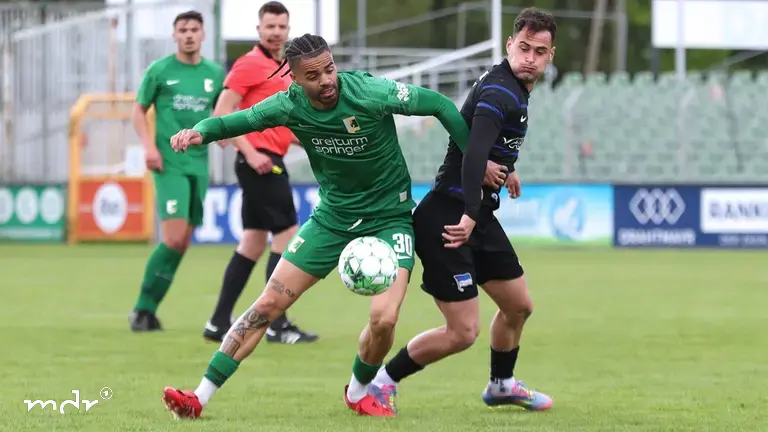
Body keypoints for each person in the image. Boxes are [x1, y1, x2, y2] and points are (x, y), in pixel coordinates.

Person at [160, 33, 504, 420]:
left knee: (384, 319)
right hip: (332, 220)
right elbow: (236, 121)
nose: (326, 80)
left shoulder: (370, 92)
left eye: (329, 69)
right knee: (268, 304)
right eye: (313, 75)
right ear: (294, 79)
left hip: (389, 220)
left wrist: (477, 162)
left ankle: (358, 391)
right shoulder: (288, 104)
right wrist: (200, 131)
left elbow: (440, 104)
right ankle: (198, 398)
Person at [362, 7, 557, 416]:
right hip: (449, 219)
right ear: (510, 45)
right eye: (524, 48)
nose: (530, 58)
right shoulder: (501, 92)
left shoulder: (511, 87)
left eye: (539, 52)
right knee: (462, 332)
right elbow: (474, 155)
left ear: (550, 55)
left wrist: (507, 169)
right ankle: (382, 382)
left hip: (476, 218)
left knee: (519, 305)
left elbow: (480, 143)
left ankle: (502, 385)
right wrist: (469, 213)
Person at [203, 1, 318, 345]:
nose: (276, 32)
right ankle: (276, 324)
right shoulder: (249, 64)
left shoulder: (284, 68)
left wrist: (315, 142)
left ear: (288, 29)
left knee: (252, 243)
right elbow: (221, 114)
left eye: (281, 27)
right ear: (259, 29)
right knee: (288, 235)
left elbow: (280, 126)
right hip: (261, 164)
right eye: (270, 26)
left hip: (268, 159)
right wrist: (251, 152)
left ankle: (218, 321)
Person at [129, 10, 225, 332]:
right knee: (172, 238)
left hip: (199, 164)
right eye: (183, 29)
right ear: (174, 35)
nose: (188, 35)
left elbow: (223, 110)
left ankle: (149, 311)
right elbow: (138, 110)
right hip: (168, 164)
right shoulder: (160, 70)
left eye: (194, 29)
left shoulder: (214, 73)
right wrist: (149, 147)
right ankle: (142, 308)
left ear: (203, 34)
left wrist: (228, 136)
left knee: (183, 241)